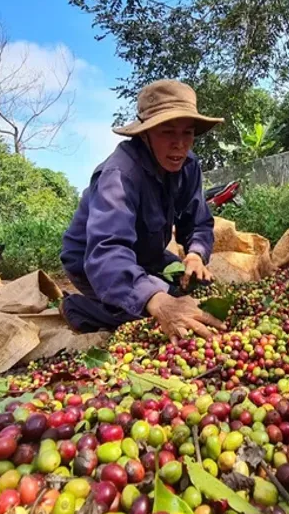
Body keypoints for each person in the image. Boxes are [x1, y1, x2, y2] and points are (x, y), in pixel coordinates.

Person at [60, 79, 224, 342]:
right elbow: (108, 252)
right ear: (145, 134)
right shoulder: (120, 175)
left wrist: (194, 255)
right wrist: (158, 302)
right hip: (92, 261)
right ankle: (80, 309)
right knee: (153, 310)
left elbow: (198, 223)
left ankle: (152, 289)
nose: (180, 145)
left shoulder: (188, 166)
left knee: (197, 293)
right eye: (167, 132)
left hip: (147, 254)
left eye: (187, 133)